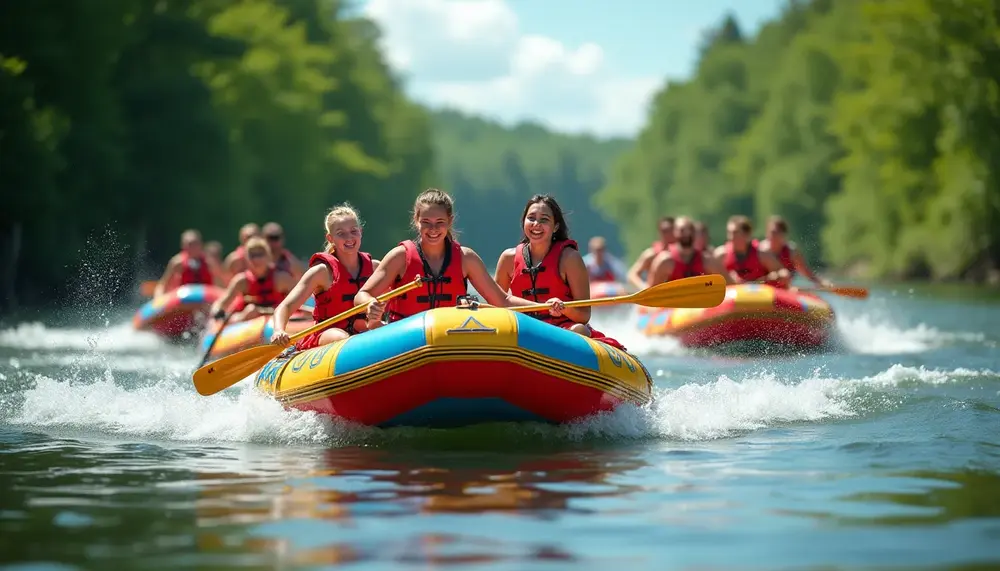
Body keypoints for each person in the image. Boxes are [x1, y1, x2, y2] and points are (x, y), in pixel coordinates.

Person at [355, 188, 565, 328]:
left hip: (448, 338)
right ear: (416, 220)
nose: (433, 229)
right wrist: (370, 304)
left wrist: (545, 306)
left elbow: (503, 300)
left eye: (440, 222)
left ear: (450, 221)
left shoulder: (466, 258)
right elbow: (362, 295)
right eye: (426, 222)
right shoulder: (400, 257)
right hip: (406, 338)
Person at [494, 195, 627, 350]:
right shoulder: (507, 258)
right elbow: (496, 304)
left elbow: (584, 315)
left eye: (544, 220)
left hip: (562, 329)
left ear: (555, 226)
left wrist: (565, 308)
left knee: (580, 330)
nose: (536, 224)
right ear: (524, 222)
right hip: (523, 328)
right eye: (531, 218)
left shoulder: (570, 258)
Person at [270, 204, 380, 350]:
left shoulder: (375, 268)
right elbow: (286, 306)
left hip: (363, 332)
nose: (349, 237)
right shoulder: (321, 272)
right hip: (327, 336)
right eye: (341, 233)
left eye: (354, 231)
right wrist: (278, 330)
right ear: (330, 238)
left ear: (361, 232)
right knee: (341, 337)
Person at [209, 237, 295, 323]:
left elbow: (300, 299)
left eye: (260, 254)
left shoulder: (282, 279)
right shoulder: (241, 281)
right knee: (250, 310)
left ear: (268, 256)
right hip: (248, 320)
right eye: (252, 255)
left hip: (276, 316)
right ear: (247, 259)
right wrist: (217, 311)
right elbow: (222, 303)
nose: (256, 259)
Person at [647, 217, 731, 286]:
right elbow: (651, 290)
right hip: (675, 304)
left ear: (694, 233)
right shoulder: (665, 261)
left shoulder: (707, 260)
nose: (686, 234)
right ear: (675, 232)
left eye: (690, 230)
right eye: (682, 230)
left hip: (700, 304)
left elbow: (730, 284)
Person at [758, 215, 832, 289]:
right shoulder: (761, 250)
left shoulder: (791, 251)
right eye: (770, 232)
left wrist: (820, 282)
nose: (771, 236)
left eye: (775, 232)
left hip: (784, 290)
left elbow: (806, 272)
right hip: (763, 290)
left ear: (783, 234)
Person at [712, 215, 790, 285]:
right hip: (732, 296)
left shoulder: (762, 254)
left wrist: (776, 276)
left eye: (735, 233)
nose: (730, 237)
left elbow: (784, 273)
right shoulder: (720, 255)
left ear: (746, 235)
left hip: (759, 295)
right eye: (729, 233)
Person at [153, 229, 224, 297]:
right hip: (184, 300)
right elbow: (163, 285)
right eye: (190, 244)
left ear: (201, 244)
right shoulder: (177, 262)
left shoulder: (210, 263)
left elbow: (220, 285)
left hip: (205, 301)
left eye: (196, 244)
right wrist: (159, 299)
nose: (193, 247)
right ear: (183, 246)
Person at [626, 216, 675, 291]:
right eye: (664, 231)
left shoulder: (682, 254)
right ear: (659, 232)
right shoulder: (651, 254)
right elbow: (632, 274)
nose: (668, 234)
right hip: (657, 296)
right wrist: (644, 288)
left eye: (671, 230)